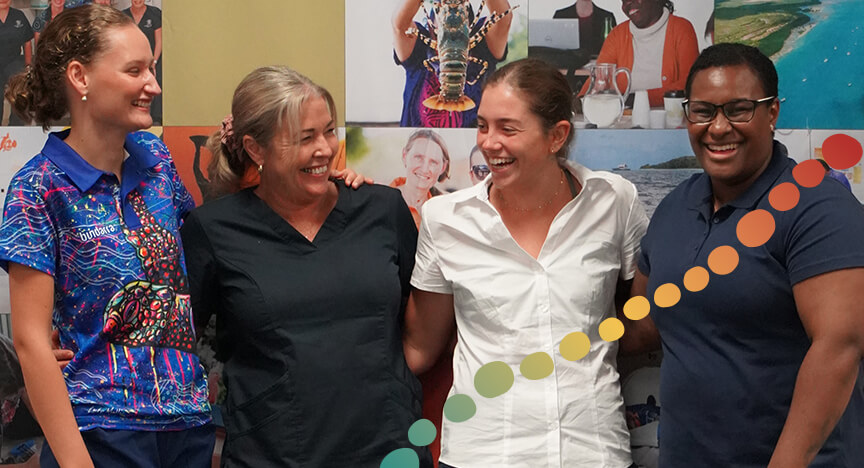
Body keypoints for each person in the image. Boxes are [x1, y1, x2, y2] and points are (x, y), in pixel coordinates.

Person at [180, 66, 431, 468]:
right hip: (272, 455)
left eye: (328, 131)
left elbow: (422, 325)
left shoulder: (381, 209)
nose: (325, 149)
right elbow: (172, 342)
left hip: (388, 450)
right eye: (304, 138)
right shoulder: (213, 230)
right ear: (256, 149)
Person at [404, 57, 648, 467]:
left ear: (557, 136)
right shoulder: (446, 219)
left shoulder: (614, 200)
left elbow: (639, 324)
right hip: (482, 452)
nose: (488, 142)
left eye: (508, 128)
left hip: (590, 451)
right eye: (483, 125)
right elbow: (420, 347)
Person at [0, 5, 214, 467]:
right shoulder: (38, 188)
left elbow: (200, 249)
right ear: (80, 77)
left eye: (152, 70)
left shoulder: (156, 159)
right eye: (135, 70)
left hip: (186, 423)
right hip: (101, 433)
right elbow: (32, 342)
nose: (152, 86)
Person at [632, 43, 864, 467]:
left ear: (773, 112)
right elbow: (645, 323)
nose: (718, 128)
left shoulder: (820, 209)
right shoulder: (674, 208)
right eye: (702, 111)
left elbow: (840, 347)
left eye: (739, 109)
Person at [392, 0, 512, 127]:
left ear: (469, 23)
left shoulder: (482, 45)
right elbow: (400, 26)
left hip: (473, 142)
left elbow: (503, 18)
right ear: (431, 22)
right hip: (422, 142)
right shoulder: (419, 48)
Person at [580, 0, 698, 108]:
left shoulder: (681, 29)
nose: (628, 3)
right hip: (623, 122)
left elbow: (690, 84)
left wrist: (636, 99)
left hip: (668, 122)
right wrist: (580, 100)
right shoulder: (617, 35)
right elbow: (598, 78)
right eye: (623, 1)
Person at [390, 129, 450, 227]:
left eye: (433, 162)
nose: (425, 168)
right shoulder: (382, 200)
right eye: (418, 157)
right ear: (405, 156)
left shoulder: (446, 208)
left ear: (443, 167)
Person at [123, 0, 162, 125]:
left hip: (152, 62)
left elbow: (159, 41)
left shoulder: (154, 13)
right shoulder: (123, 16)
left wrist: (154, 62)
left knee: (154, 85)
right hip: (130, 62)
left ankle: (155, 119)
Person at [0, 0, 33, 126]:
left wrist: (28, 66)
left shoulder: (18, 16)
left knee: (19, 96)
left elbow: (27, 42)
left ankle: (16, 130)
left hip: (13, 61)